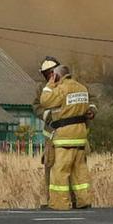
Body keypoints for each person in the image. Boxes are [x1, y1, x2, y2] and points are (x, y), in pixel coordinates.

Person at [35, 57, 94, 210]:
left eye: (51, 73)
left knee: (60, 171)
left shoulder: (58, 88)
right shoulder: (80, 87)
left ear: (56, 73)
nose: (49, 76)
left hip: (63, 137)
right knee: (79, 170)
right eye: (46, 74)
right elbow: (38, 107)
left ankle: (60, 203)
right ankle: (83, 200)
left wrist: (49, 86)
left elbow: (45, 101)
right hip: (78, 136)